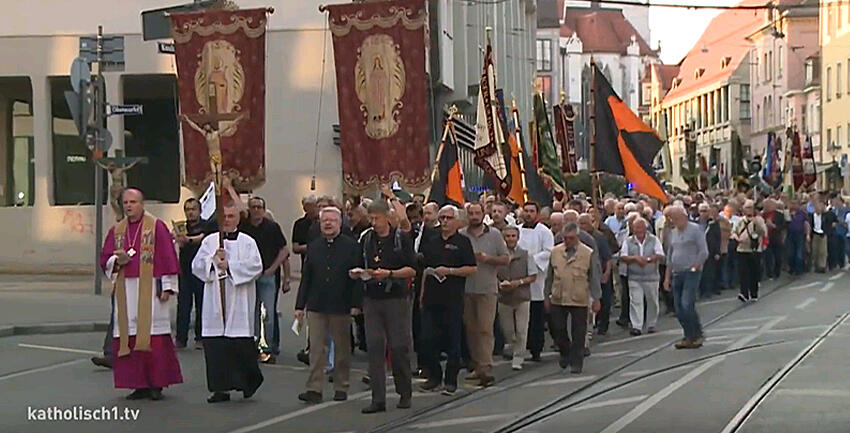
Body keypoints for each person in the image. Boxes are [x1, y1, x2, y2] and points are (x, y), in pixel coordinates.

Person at [99, 189, 183, 400]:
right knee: (130, 338)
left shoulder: (156, 227)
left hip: (151, 290)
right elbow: (105, 259)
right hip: (126, 291)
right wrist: (117, 261)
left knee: (153, 339)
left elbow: (167, 256)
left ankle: (156, 384)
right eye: (126, 202)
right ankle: (138, 384)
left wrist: (167, 286)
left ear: (142, 204)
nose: (129, 206)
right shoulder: (117, 230)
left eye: (133, 202)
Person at [193, 205, 264, 403]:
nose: (227, 220)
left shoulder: (248, 242)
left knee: (240, 345)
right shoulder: (209, 241)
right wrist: (213, 261)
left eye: (231, 216)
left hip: (239, 300)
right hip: (215, 301)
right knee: (217, 347)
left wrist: (230, 266)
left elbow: (256, 267)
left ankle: (248, 383)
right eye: (224, 216)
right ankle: (219, 389)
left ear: (238, 219)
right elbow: (196, 266)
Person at [352, 200, 416, 413]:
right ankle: (377, 398)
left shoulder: (400, 238)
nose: (374, 222)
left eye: (377, 218)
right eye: (371, 218)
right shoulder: (366, 239)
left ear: (387, 217)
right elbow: (362, 262)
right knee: (375, 348)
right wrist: (360, 272)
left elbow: (412, 270)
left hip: (395, 297)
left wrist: (389, 273)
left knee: (399, 347)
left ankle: (404, 391)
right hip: (372, 297)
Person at [296, 207, 362, 404]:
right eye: (325, 220)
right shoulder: (314, 246)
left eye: (333, 220)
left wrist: (356, 304)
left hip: (341, 305)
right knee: (316, 350)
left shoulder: (352, 246)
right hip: (316, 305)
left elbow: (357, 279)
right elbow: (306, 277)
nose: (328, 223)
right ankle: (314, 388)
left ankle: (341, 386)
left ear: (340, 223)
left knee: (342, 349)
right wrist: (300, 305)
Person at [419, 205, 477, 395]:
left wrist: (451, 271)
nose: (444, 221)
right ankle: (434, 376)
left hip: (452, 298)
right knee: (428, 339)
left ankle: (450, 380)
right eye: (442, 218)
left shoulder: (462, 242)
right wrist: (421, 295)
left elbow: (472, 268)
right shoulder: (432, 241)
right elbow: (425, 271)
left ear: (457, 221)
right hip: (431, 298)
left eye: (448, 218)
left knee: (453, 341)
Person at [460, 202, 510, 388]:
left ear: (483, 214)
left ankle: (486, 366)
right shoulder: (462, 235)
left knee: (485, 329)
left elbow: (505, 259)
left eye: (477, 213)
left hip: (487, 288)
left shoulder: (495, 235)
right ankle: (477, 365)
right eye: (471, 213)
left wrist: (488, 259)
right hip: (466, 288)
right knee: (471, 329)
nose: (474, 216)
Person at [545, 222, 601, 374]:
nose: (567, 241)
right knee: (558, 329)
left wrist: (596, 298)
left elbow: (594, 277)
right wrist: (546, 296)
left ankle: (577, 362)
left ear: (577, 237)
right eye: (565, 238)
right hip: (558, 296)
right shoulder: (556, 252)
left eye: (570, 238)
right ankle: (565, 352)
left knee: (579, 332)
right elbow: (549, 276)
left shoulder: (587, 253)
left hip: (579, 297)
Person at [240, 197, 289, 364]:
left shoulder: (272, 227)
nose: (256, 210)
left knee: (268, 312)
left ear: (264, 209)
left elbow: (284, 250)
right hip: (249, 276)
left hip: (267, 275)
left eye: (259, 207)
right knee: (251, 313)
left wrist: (274, 269)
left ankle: (269, 347)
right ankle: (253, 346)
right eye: (253, 207)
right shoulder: (243, 227)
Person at [663, 205, 708, 349]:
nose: (674, 221)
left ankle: (697, 334)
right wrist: (667, 277)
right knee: (678, 308)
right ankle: (688, 335)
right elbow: (670, 256)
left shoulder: (695, 230)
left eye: (676, 218)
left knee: (687, 304)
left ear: (684, 216)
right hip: (677, 272)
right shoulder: (673, 233)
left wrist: (696, 265)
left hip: (691, 272)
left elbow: (703, 251)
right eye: (672, 219)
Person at [516, 201, 554, 362]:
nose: (528, 214)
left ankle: (536, 348)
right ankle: (520, 347)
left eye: (532, 211)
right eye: (526, 211)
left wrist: (531, 260)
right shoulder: (516, 230)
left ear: (536, 213)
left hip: (537, 280)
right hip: (519, 277)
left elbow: (548, 252)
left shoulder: (544, 232)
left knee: (536, 317)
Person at [175, 198, 214, 349]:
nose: (191, 212)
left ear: (200, 211)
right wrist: (177, 239)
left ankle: (200, 337)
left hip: (202, 272)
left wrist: (188, 240)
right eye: (188, 209)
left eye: (193, 209)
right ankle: (180, 339)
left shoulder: (206, 225)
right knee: (183, 306)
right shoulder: (181, 227)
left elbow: (203, 238)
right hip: (185, 272)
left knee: (202, 305)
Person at [496, 225, 536, 370]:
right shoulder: (499, 256)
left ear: (518, 238)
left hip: (522, 297)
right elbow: (493, 274)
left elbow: (533, 276)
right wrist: (499, 284)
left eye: (513, 236)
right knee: (508, 330)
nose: (510, 239)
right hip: (503, 298)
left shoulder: (526, 254)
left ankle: (518, 357)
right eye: (507, 236)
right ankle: (513, 346)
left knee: (521, 329)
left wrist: (518, 283)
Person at [619, 218, 664, 335]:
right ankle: (637, 326)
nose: (638, 230)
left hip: (651, 276)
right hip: (634, 276)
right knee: (636, 301)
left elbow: (660, 254)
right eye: (635, 228)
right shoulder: (628, 241)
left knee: (652, 301)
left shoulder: (654, 240)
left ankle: (651, 324)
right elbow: (623, 256)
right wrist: (634, 258)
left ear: (645, 228)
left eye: (640, 227)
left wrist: (648, 259)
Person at [809, 200, 835, 273]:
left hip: (823, 234)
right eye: (817, 207)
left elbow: (830, 222)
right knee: (815, 250)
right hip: (815, 234)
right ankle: (816, 265)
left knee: (823, 251)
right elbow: (810, 224)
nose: (818, 209)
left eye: (820, 207)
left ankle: (822, 266)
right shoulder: (811, 216)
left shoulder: (825, 216)